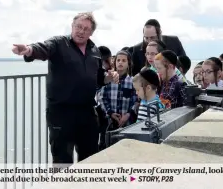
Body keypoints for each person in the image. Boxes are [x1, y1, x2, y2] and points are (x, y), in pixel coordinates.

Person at [11, 12, 119, 166]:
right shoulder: (59, 43)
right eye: (78, 27)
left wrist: (109, 77)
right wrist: (29, 50)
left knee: (90, 158)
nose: (81, 31)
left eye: (85, 29)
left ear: (91, 32)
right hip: (61, 113)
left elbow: (99, 78)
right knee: (62, 160)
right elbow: (44, 48)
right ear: (72, 26)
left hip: (86, 112)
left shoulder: (94, 50)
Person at [100, 50, 138, 130]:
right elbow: (102, 97)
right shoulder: (108, 79)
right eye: (118, 60)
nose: (120, 62)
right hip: (109, 121)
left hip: (127, 122)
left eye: (124, 60)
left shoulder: (132, 81)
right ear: (115, 62)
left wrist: (128, 114)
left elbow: (135, 100)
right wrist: (110, 113)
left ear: (128, 63)